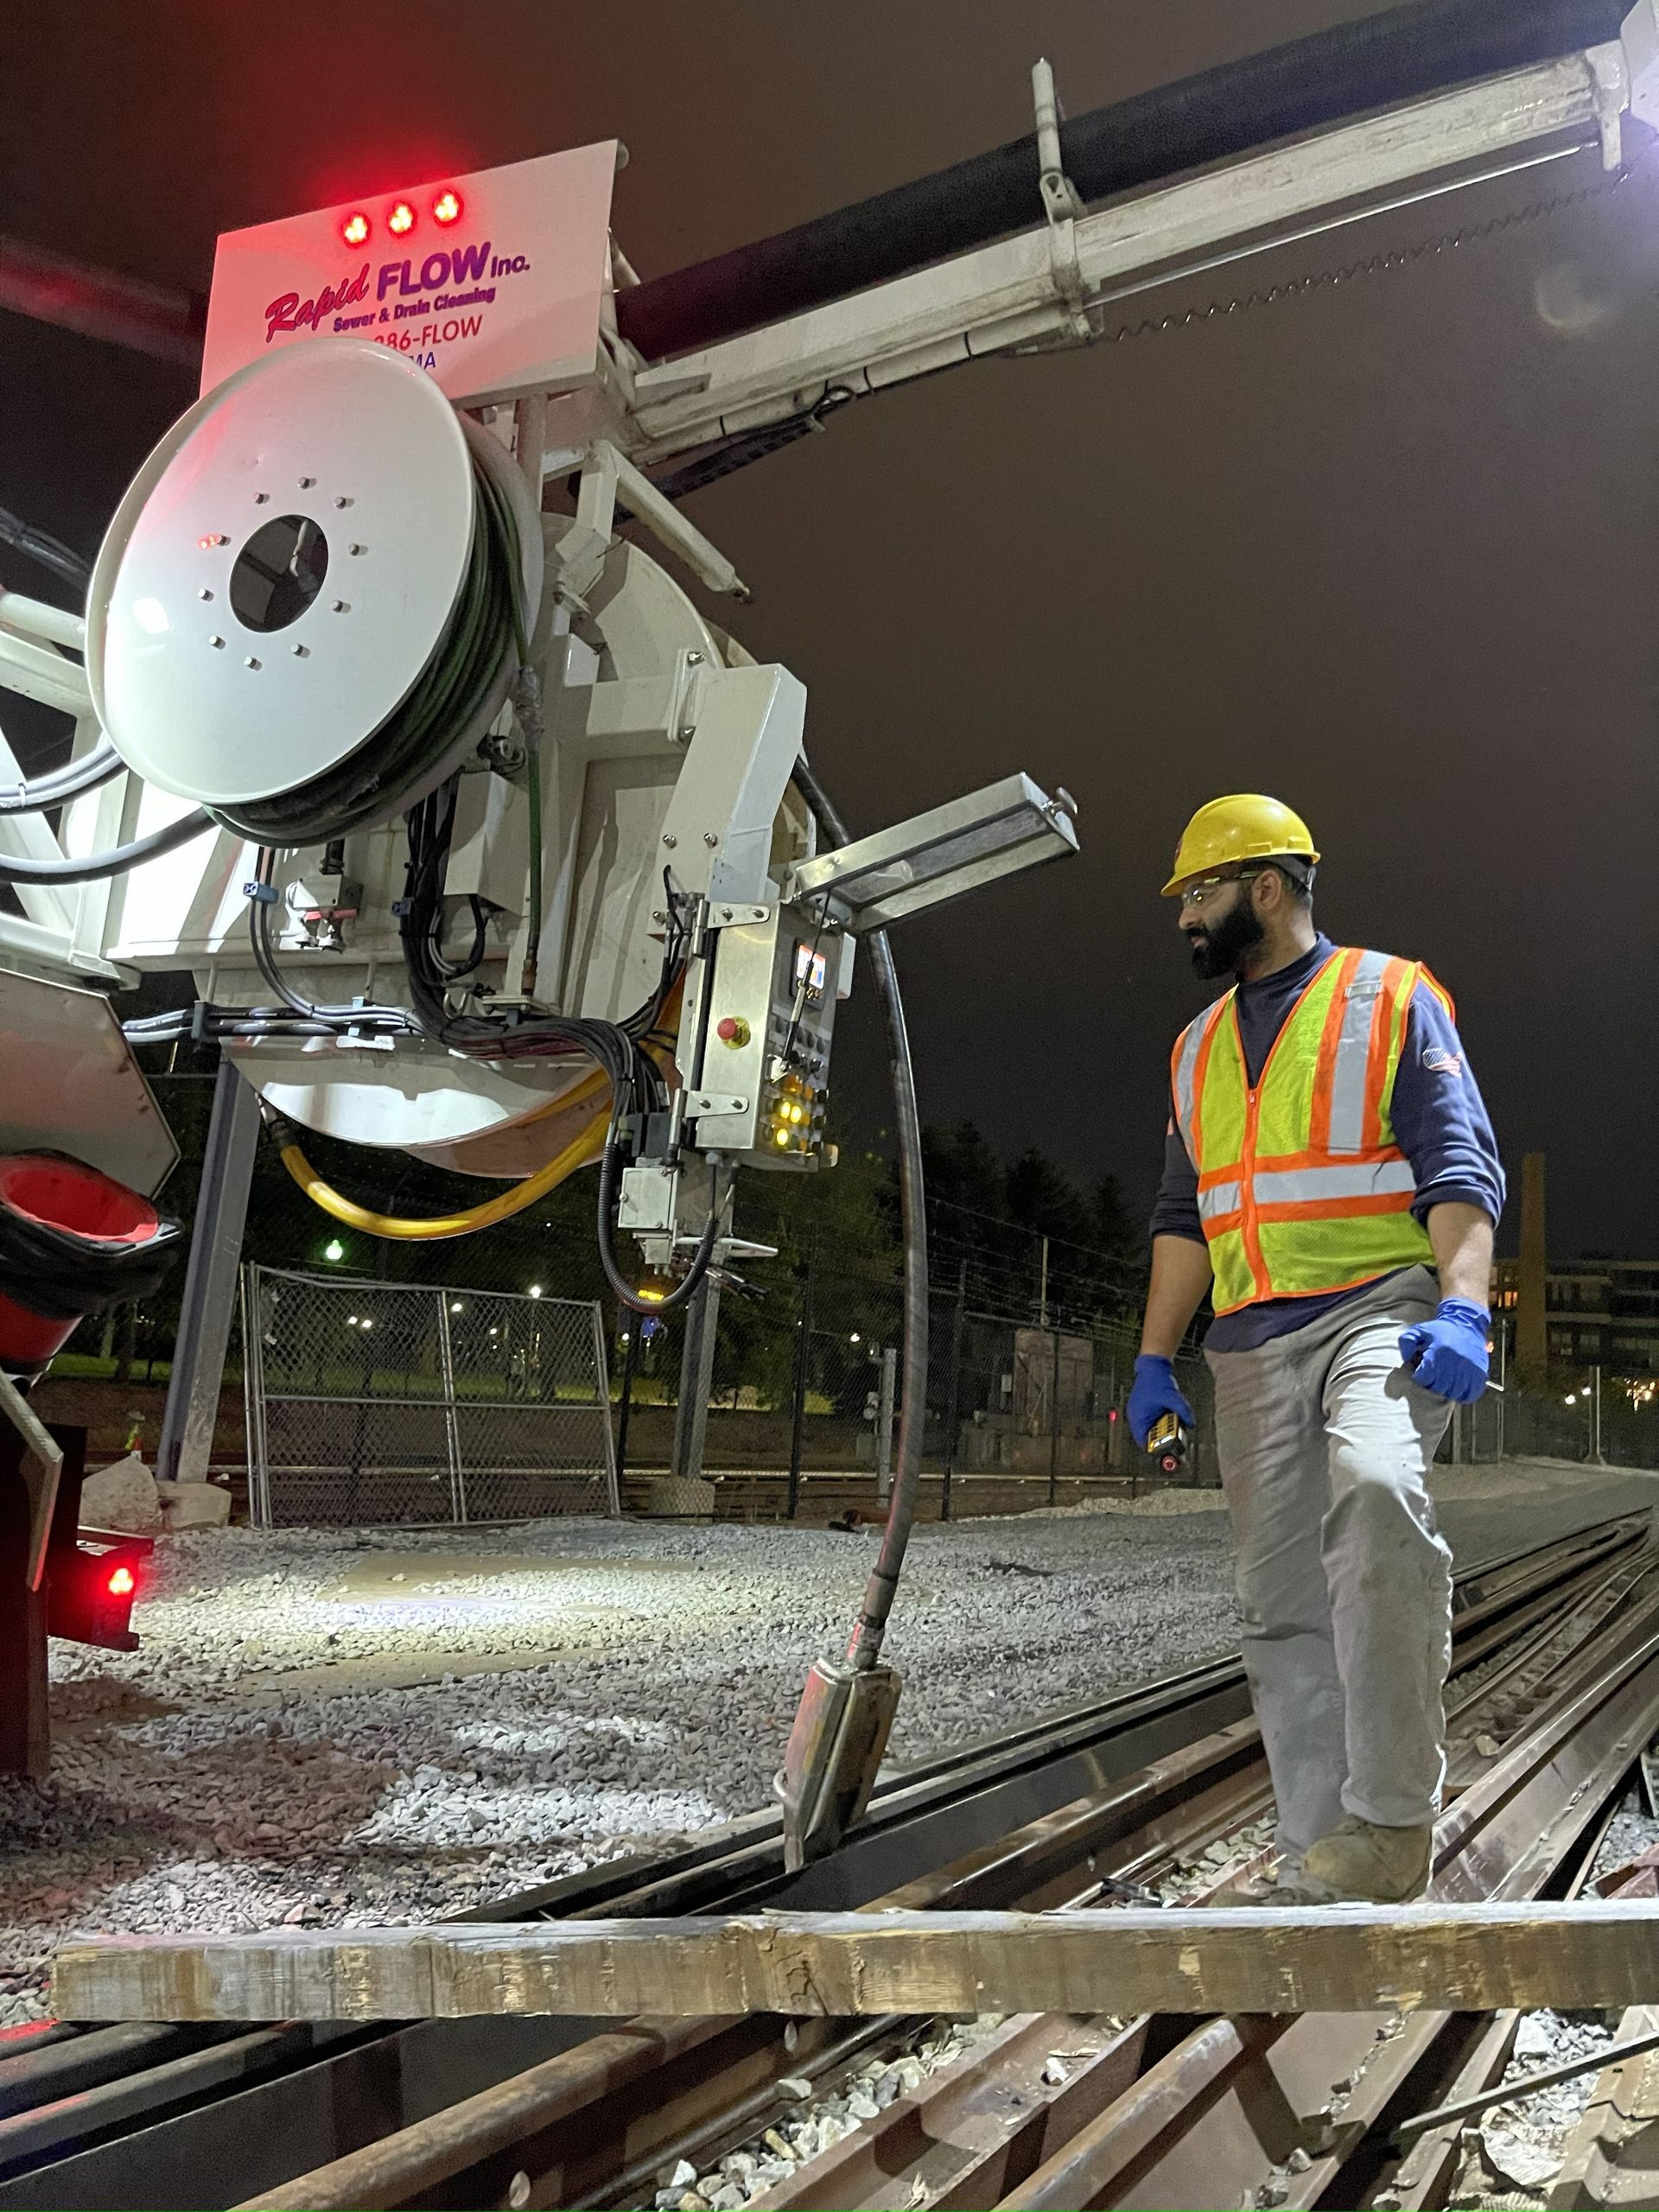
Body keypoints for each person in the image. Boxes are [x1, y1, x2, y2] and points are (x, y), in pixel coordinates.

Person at [1128, 795, 1504, 1904]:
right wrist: (1156, 1359)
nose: (1184, 917)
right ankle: (1317, 1853)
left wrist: (1465, 1305)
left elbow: (1458, 1167)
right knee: (1278, 1598)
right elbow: (1182, 1216)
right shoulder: (1195, 1048)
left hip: (1374, 1311)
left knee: (1380, 1490)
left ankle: (1391, 1825)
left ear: (1267, 887)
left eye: (1199, 892)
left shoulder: (1391, 996)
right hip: (1248, 1345)